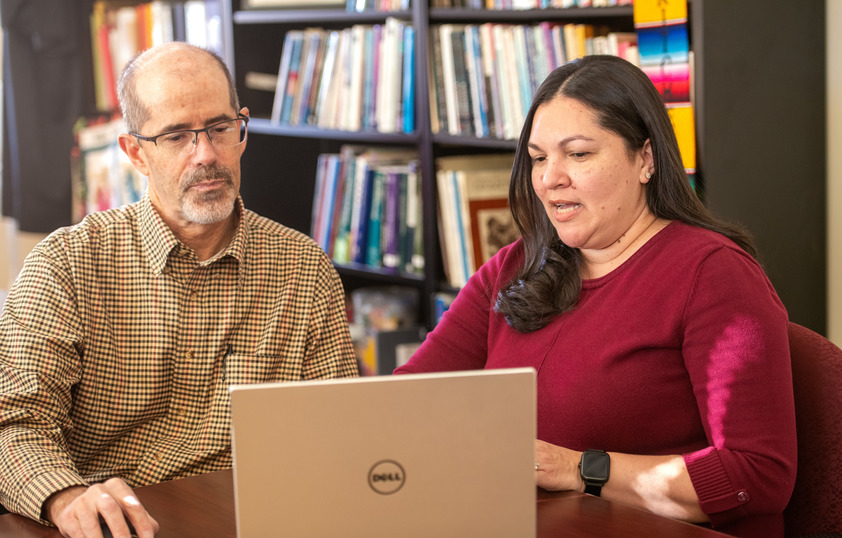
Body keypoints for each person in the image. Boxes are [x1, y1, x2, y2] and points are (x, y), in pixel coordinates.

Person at [395, 55, 796, 538]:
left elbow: (758, 475)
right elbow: (406, 402)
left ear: (645, 158)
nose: (549, 179)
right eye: (539, 158)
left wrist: (577, 469)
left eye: (579, 154)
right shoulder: (515, 266)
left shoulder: (714, 274)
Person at [0, 42, 359, 537]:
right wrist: (65, 498)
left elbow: (337, 434)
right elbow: (13, 423)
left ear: (243, 129)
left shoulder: (303, 269)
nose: (207, 155)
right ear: (135, 153)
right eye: (176, 136)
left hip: (255, 519)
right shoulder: (66, 265)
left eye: (219, 128)